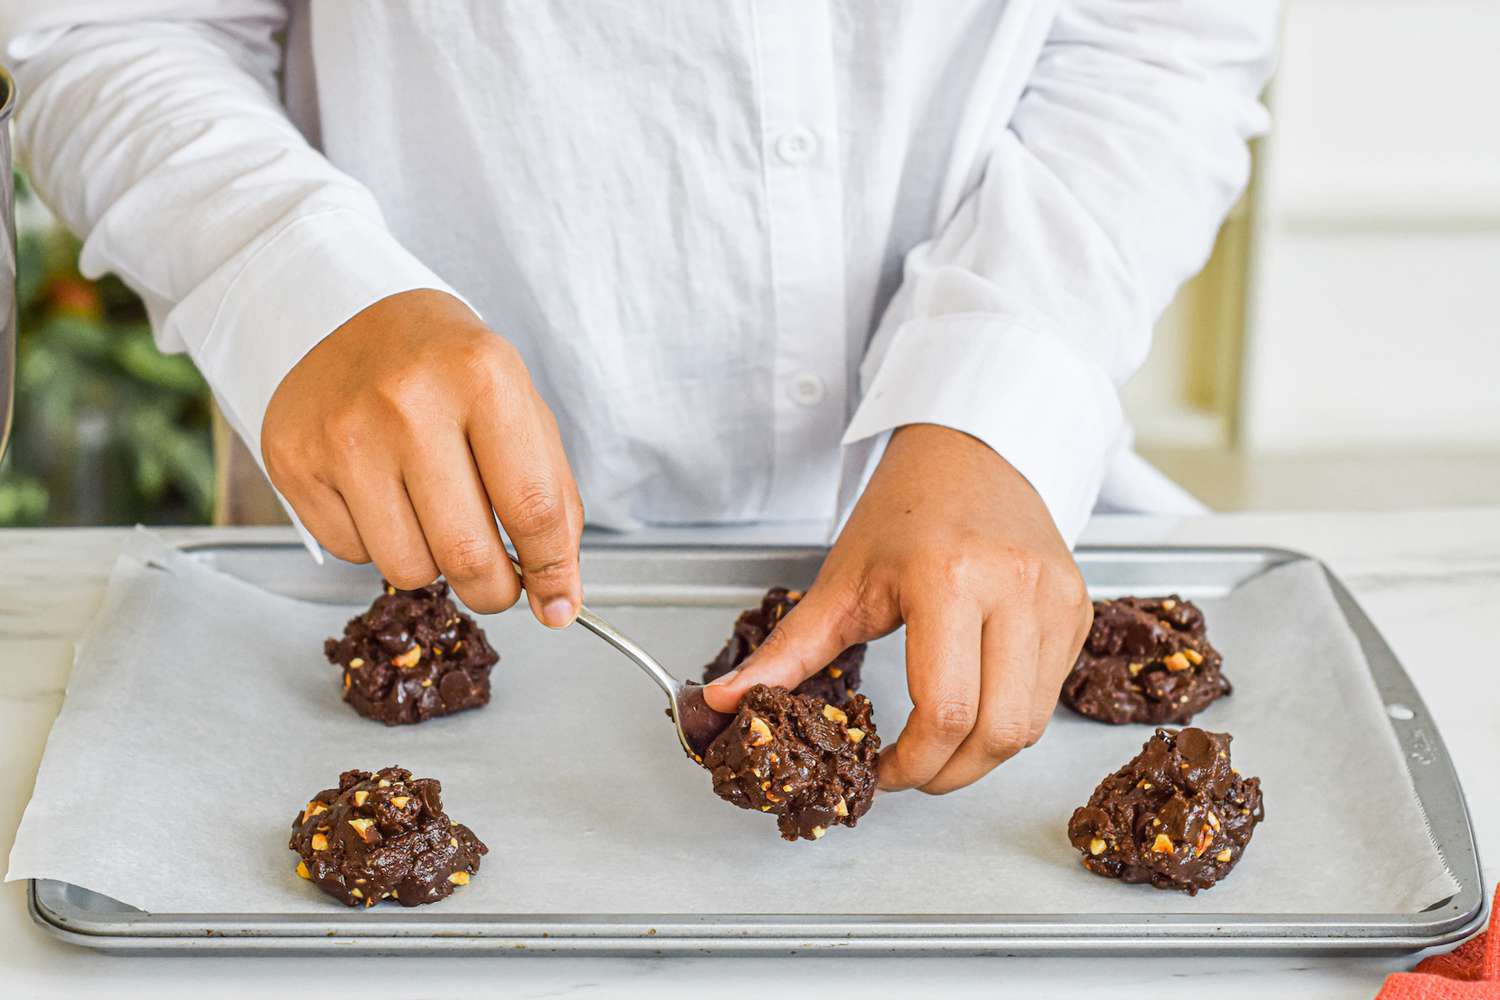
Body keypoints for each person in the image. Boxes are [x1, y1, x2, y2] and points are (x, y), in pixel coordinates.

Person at [1, 2, 1276, 795]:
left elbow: (1162, 41)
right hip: (378, 536)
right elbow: (101, 28)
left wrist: (999, 393)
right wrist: (294, 281)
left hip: (1010, 522)